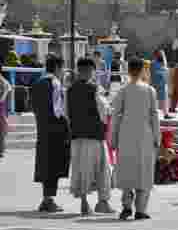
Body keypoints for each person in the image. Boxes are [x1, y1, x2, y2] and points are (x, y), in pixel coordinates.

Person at [110, 57, 160, 221]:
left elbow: (116, 116)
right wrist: (157, 137)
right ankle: (140, 209)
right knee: (143, 172)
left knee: (127, 170)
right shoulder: (150, 90)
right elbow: (154, 116)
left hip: (126, 135)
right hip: (145, 135)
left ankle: (126, 206)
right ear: (142, 70)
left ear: (129, 70)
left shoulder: (123, 90)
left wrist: (113, 137)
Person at [67, 57, 114, 216]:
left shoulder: (70, 89)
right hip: (94, 135)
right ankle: (102, 202)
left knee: (81, 169)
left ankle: (84, 203)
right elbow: (104, 111)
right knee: (102, 169)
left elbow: (67, 113)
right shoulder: (95, 89)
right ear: (91, 71)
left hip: (76, 136)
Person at [32, 55, 70, 213]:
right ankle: (48, 200)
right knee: (53, 165)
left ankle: (46, 198)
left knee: (45, 164)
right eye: (62, 68)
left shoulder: (37, 83)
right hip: (55, 130)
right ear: (57, 68)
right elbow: (58, 111)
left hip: (42, 129)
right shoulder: (54, 83)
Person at [151, 50, 168, 116]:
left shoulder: (161, 63)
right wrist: (163, 71)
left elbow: (165, 70)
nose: (161, 56)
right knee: (155, 100)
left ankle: (165, 114)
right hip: (157, 84)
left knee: (164, 100)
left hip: (162, 83)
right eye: (160, 54)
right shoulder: (153, 63)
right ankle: (153, 114)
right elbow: (155, 73)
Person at [0, 71, 11, 159]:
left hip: (1, 108)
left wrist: (2, 99)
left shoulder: (3, 80)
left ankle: (2, 150)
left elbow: (7, 89)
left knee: (3, 128)